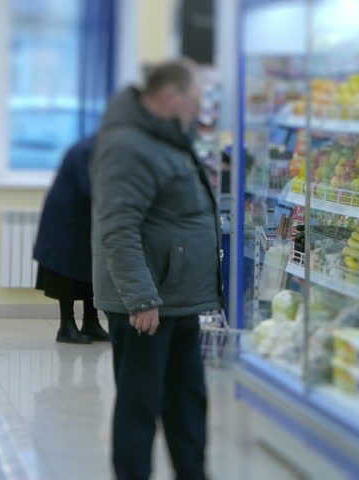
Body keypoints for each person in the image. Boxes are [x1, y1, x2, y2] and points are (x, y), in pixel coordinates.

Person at [92, 59, 222, 480]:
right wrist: (141, 297)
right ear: (169, 97)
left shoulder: (165, 138)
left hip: (175, 298)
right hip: (147, 305)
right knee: (140, 406)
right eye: (194, 98)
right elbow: (117, 226)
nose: (199, 107)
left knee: (187, 401)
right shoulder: (129, 145)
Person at [33, 137, 109, 344]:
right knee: (65, 270)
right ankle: (66, 327)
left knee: (89, 269)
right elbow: (91, 186)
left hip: (83, 217)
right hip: (64, 217)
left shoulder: (100, 145)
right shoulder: (87, 150)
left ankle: (91, 323)